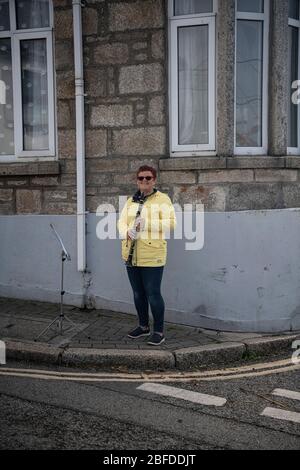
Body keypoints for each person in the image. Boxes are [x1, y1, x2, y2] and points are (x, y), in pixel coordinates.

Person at [117, 165, 176, 346]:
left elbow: (171, 224)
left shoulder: (163, 199)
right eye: (141, 178)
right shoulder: (130, 201)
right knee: (137, 294)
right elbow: (121, 222)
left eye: (148, 178)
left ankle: (159, 331)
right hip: (131, 253)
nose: (144, 181)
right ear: (137, 180)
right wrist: (127, 231)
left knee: (153, 294)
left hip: (153, 254)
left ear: (154, 180)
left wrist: (146, 223)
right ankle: (143, 327)